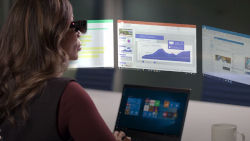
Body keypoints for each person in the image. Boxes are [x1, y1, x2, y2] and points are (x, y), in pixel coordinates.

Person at [0, 0, 131, 141]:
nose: (80, 32)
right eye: (72, 25)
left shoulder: (6, 85)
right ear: (54, 35)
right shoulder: (68, 94)